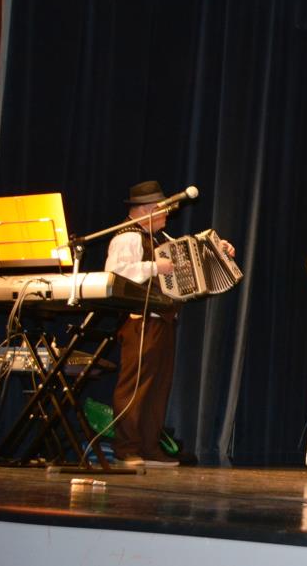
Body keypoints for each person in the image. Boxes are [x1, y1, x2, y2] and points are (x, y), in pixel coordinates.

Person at [105, 180, 235, 468]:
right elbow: (115, 274)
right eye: (163, 209)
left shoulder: (158, 238)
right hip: (140, 321)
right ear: (147, 210)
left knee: (157, 387)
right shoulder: (128, 238)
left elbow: (188, 255)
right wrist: (154, 267)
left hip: (161, 319)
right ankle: (126, 448)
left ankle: (149, 447)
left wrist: (218, 248)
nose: (168, 214)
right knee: (135, 386)